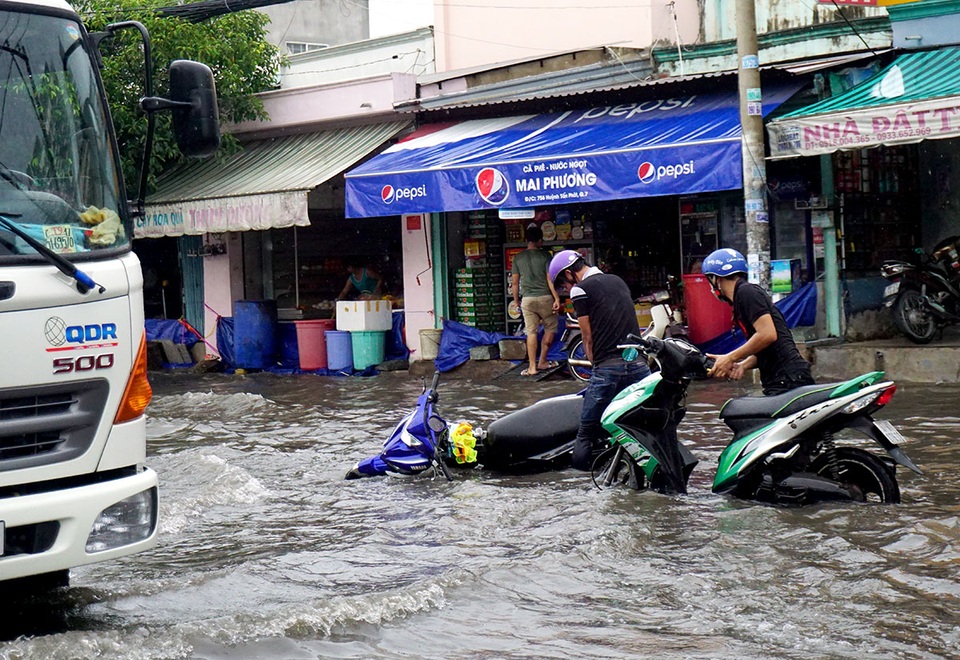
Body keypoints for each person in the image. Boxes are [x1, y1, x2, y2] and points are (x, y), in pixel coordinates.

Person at [548, 249, 650, 471]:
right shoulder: (618, 281)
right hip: (639, 365)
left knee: (586, 433)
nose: (566, 290)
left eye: (563, 285)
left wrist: (596, 366)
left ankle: (581, 483)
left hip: (608, 369)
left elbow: (587, 336)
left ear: (569, 273)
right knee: (643, 426)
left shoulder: (580, 290)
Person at [702, 248, 815, 395]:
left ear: (717, 279)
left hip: (788, 379)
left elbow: (767, 335)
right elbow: (767, 347)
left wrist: (729, 358)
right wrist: (742, 365)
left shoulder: (746, 293)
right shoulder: (742, 297)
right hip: (783, 378)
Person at [511, 225, 561, 376]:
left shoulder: (518, 258)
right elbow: (549, 279)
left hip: (527, 300)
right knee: (550, 328)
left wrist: (516, 301)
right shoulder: (545, 256)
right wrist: (556, 298)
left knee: (531, 332)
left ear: (527, 240)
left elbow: (515, 283)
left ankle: (532, 367)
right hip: (545, 297)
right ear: (539, 240)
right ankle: (543, 361)